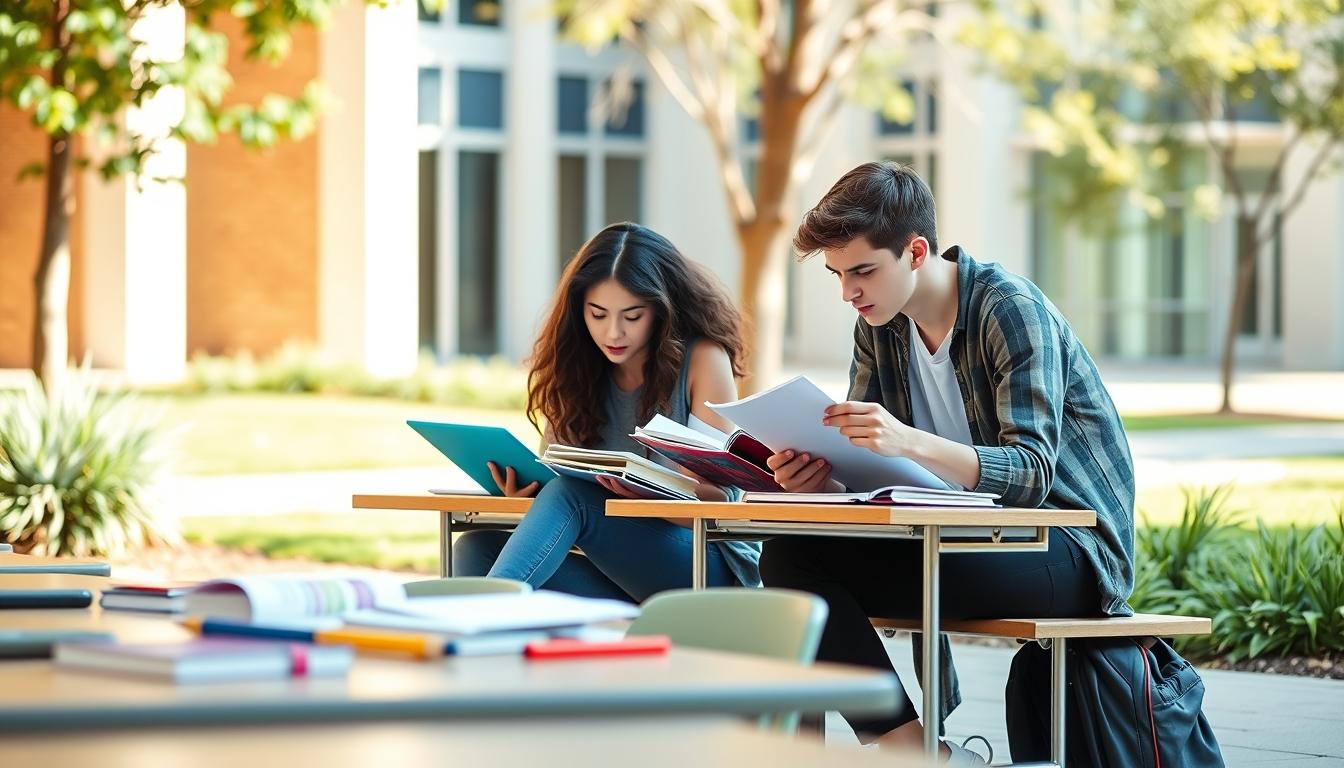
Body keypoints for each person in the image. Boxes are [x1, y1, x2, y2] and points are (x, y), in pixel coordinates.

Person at [760, 162, 1135, 764]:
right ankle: (918, 749)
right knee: (790, 555)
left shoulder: (1007, 309)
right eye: (837, 275)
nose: (849, 292)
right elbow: (867, 461)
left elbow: (1032, 473)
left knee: (806, 578)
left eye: (862, 271)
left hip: (1066, 546)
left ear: (915, 252)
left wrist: (907, 440)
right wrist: (817, 472)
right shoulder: (878, 326)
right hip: (962, 538)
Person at [452, 222, 761, 600]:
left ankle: (475, 620)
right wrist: (528, 497)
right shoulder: (576, 368)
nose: (613, 333)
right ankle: (490, 648)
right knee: (475, 548)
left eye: (632, 316)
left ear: (663, 311)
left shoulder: (703, 359)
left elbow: (716, 502)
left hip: (703, 560)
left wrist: (650, 495)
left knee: (573, 496)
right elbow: (559, 478)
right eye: (598, 315)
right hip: (616, 564)